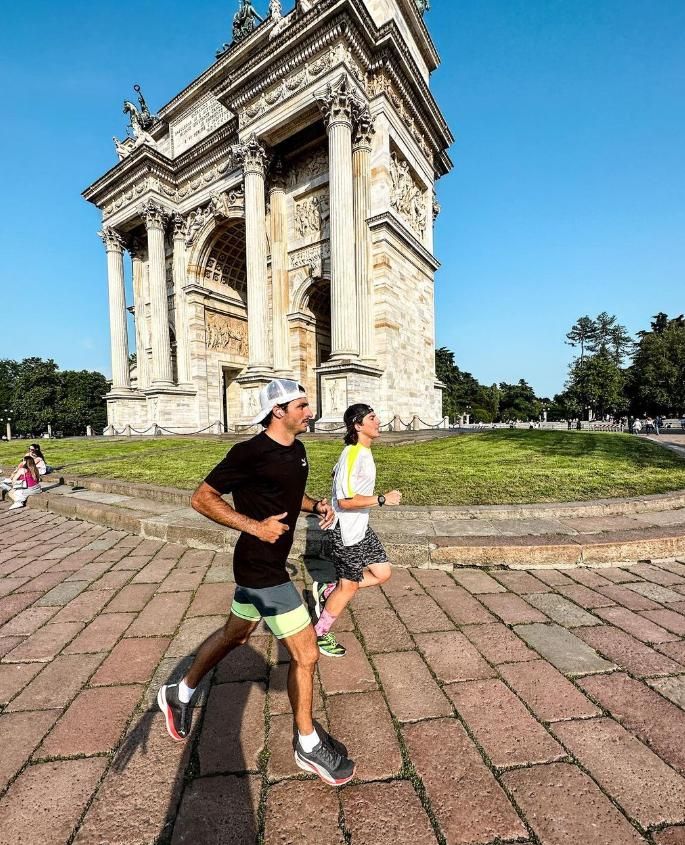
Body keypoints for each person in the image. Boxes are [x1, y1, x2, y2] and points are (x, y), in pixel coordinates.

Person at [156, 379, 355, 787]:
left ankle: (181, 692)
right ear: (278, 411)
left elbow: (286, 494)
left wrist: (314, 504)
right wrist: (254, 527)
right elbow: (202, 498)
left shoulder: (296, 450)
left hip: (263, 566)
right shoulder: (248, 452)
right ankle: (307, 743)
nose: (310, 411)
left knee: (234, 636)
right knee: (306, 655)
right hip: (261, 568)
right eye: (302, 405)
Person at [311, 403, 401, 658]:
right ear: (358, 425)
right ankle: (320, 633)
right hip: (346, 532)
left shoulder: (359, 452)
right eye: (372, 418)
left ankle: (329, 589)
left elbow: (340, 480)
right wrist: (382, 499)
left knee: (382, 573)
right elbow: (345, 501)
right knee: (348, 587)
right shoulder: (354, 453)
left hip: (360, 527)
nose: (378, 421)